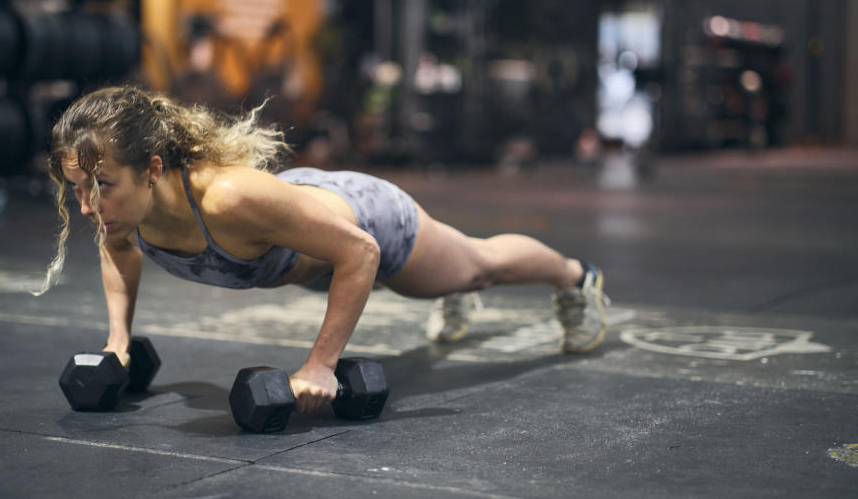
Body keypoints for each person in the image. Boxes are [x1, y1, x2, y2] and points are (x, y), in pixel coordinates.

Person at [34, 86, 608, 415]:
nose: (87, 205)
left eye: (100, 185)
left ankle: (576, 278)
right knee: (445, 276)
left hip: (364, 221)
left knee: (479, 268)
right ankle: (456, 291)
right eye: (76, 188)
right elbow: (119, 251)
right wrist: (117, 341)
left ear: (153, 169)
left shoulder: (228, 200)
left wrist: (320, 365)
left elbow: (359, 252)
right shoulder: (121, 208)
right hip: (299, 242)